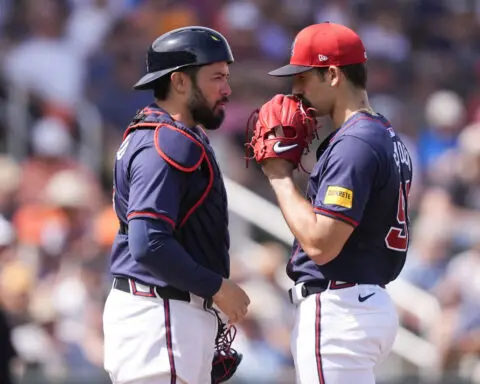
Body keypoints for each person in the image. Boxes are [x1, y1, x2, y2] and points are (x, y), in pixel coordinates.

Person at [259, 22, 413, 383]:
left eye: (302, 78)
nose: (295, 91)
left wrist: (278, 176)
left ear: (332, 74)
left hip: (340, 307)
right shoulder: (384, 134)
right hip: (362, 301)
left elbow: (321, 244)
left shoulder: (355, 143)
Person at [103, 26, 250, 384]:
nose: (227, 89)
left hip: (165, 312)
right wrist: (217, 287)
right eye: (217, 77)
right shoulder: (166, 142)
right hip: (160, 314)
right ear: (181, 82)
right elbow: (148, 243)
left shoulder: (170, 134)